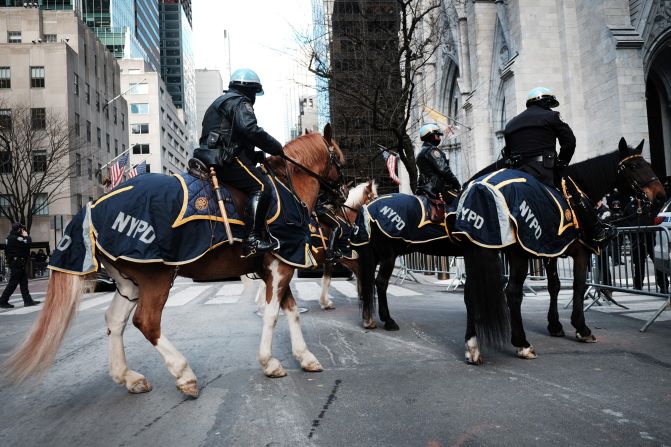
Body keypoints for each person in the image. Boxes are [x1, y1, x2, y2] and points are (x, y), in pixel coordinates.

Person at [503, 86, 609, 247]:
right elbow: (569, 142)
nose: (551, 107)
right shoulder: (551, 116)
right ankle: (597, 231)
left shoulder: (511, 124)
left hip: (517, 172)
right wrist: (562, 163)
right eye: (550, 104)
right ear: (545, 102)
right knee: (574, 191)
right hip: (544, 171)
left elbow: (508, 152)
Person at [198, 68, 284, 258]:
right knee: (262, 186)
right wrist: (276, 148)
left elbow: (230, 138)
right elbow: (250, 130)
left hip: (211, 156)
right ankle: (252, 239)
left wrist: (254, 157)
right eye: (254, 92)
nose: (254, 97)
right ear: (249, 90)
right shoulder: (240, 101)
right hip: (223, 160)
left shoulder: (221, 101)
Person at [415, 123, 461, 204]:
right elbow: (444, 170)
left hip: (423, 188)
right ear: (431, 136)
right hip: (435, 189)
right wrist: (456, 184)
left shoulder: (422, 151)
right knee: (461, 201)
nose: (439, 138)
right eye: (438, 135)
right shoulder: (432, 151)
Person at [0, 223, 40, 308]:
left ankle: (28, 301)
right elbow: (28, 244)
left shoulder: (10, 238)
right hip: (17, 263)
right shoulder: (15, 238)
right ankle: (3, 301)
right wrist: (26, 236)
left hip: (17, 262)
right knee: (13, 283)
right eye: (22, 229)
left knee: (23, 282)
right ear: (19, 230)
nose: (23, 231)